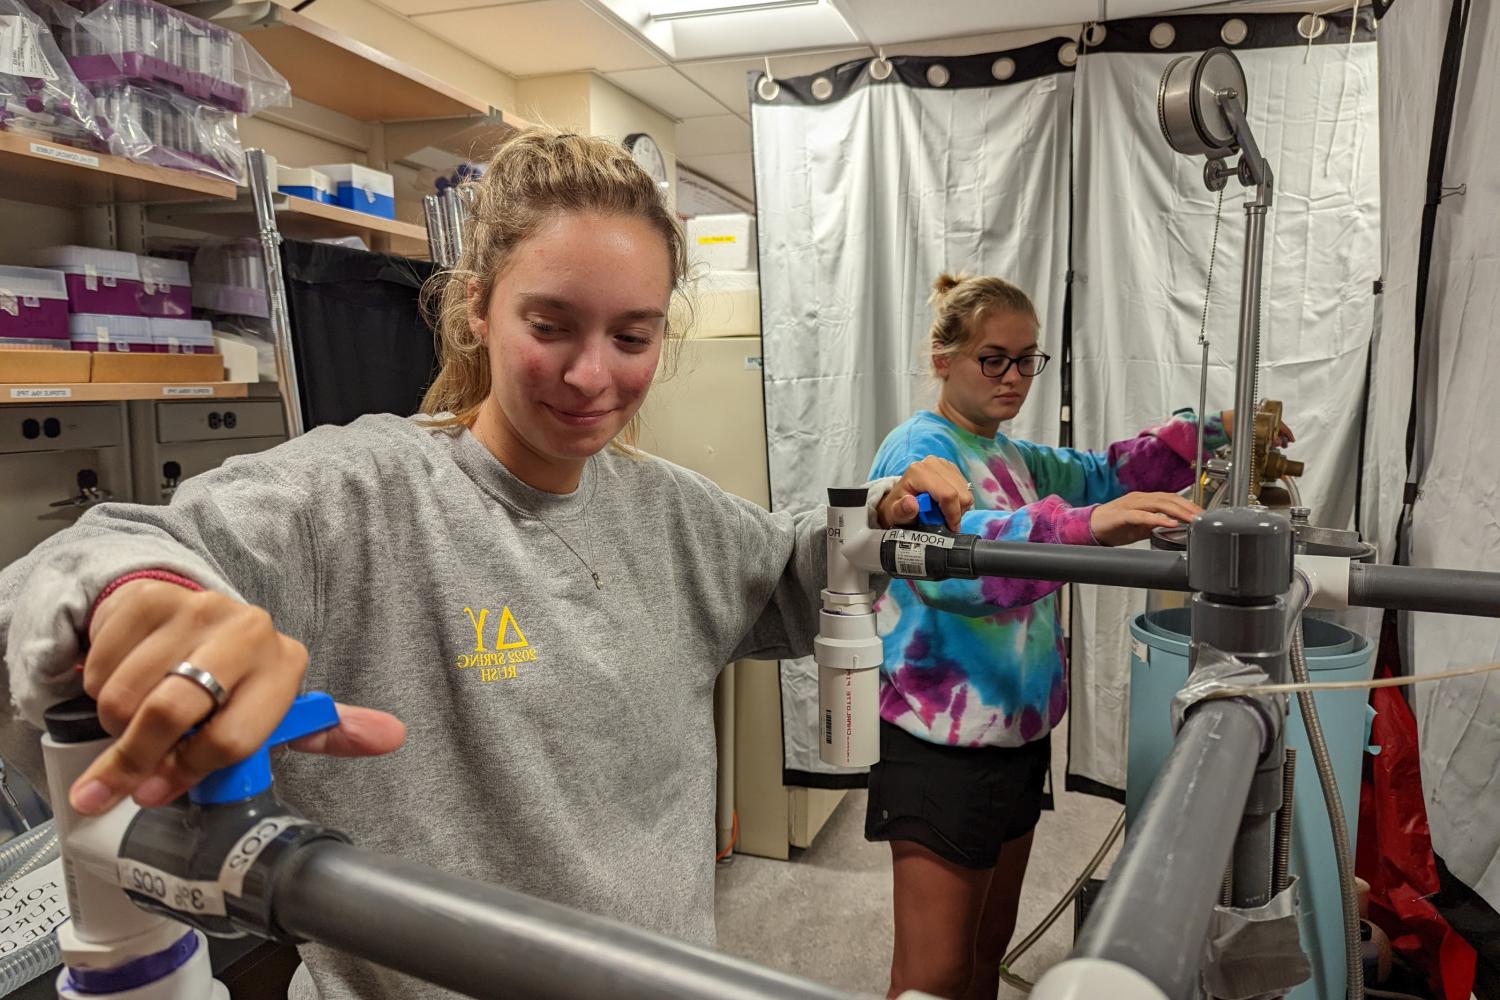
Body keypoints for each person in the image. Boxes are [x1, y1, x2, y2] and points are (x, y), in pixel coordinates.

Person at [0, 129, 972, 999]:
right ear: (476, 309)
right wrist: (147, 597)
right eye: (550, 326)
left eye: (631, 336)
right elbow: (87, 555)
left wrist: (883, 516)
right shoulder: (365, 492)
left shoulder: (668, 509)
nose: (594, 376)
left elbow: (801, 570)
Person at [865, 273, 1284, 1000]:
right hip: (941, 750)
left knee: (983, 955)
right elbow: (963, 568)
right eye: (993, 358)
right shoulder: (917, 455)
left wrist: (1213, 431)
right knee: (931, 978)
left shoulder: (1011, 455)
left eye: (1028, 360)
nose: (1014, 377)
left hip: (1017, 739)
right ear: (942, 356)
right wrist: (1091, 525)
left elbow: (1104, 471)